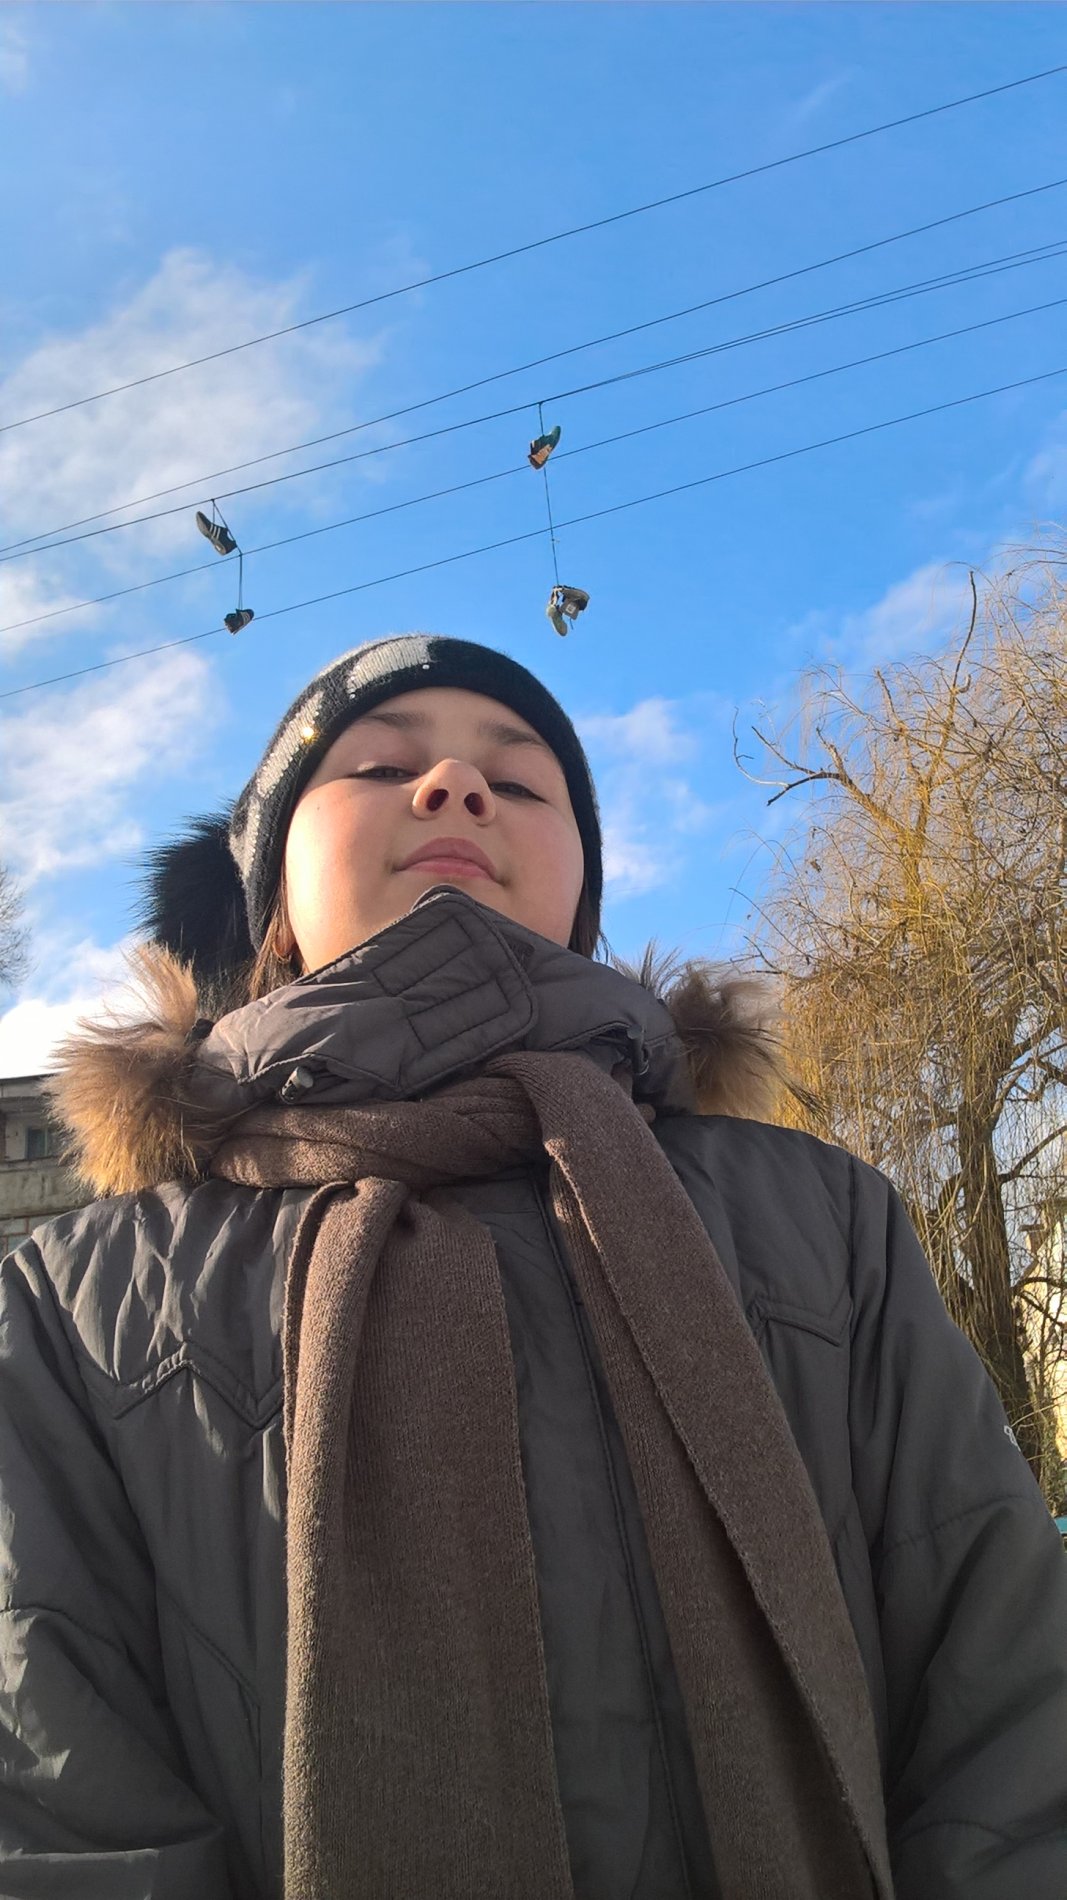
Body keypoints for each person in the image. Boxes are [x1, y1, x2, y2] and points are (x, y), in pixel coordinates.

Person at [0, 633, 1064, 1900]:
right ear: (269, 904)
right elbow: (62, 1790)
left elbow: (1006, 1683)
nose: (452, 786)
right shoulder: (77, 1303)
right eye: (379, 764)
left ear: (581, 905)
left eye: (515, 780)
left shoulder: (821, 1219)